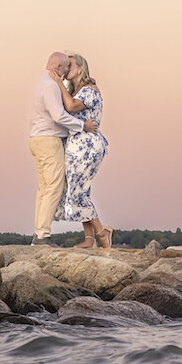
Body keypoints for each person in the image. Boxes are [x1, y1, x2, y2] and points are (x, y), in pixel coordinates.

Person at [29, 52, 98, 245]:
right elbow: (59, 116)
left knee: (44, 188)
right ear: (58, 67)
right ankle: (43, 235)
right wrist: (82, 125)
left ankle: (38, 234)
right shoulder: (51, 85)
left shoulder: (43, 82)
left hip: (37, 139)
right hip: (48, 140)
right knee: (54, 187)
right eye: (66, 66)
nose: (68, 70)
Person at [54, 54, 112, 249]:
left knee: (77, 191)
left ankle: (102, 232)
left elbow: (71, 107)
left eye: (69, 65)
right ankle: (89, 239)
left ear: (80, 68)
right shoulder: (75, 91)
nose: (65, 67)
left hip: (87, 145)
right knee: (79, 189)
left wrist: (57, 82)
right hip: (75, 145)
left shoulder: (89, 90)